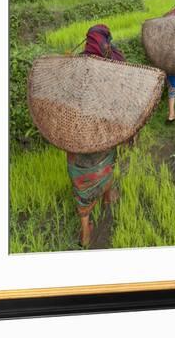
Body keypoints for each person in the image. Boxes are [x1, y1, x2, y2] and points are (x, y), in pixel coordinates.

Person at [67, 24, 124, 247]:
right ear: (105, 41)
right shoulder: (112, 64)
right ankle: (108, 195)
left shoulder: (74, 67)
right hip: (102, 131)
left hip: (75, 133)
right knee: (106, 163)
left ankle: (85, 230)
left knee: (80, 176)